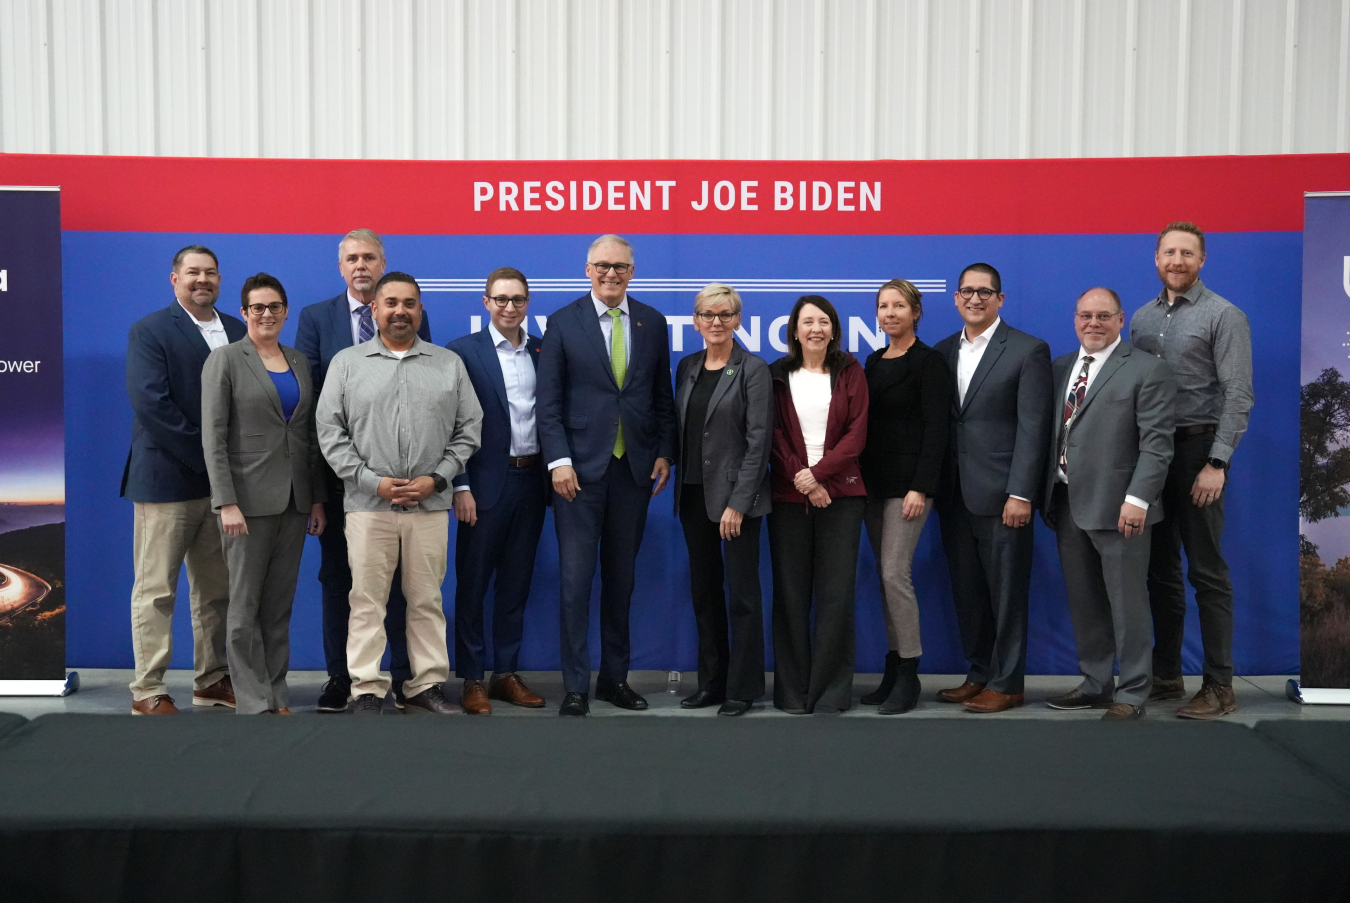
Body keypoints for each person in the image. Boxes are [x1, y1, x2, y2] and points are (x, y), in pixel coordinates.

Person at [316, 272, 482, 715]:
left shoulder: (447, 364)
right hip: (368, 506)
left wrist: (438, 478)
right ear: (375, 309)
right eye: (391, 303)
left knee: (426, 599)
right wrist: (372, 481)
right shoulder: (346, 364)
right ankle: (366, 688)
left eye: (409, 303)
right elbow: (329, 433)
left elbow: (469, 430)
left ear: (420, 310)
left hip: (429, 506)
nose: (400, 311)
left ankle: (424, 685)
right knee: (367, 600)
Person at [536, 234, 679, 717]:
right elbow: (548, 402)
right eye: (602, 266)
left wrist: (664, 452)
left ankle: (613, 679)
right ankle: (575, 685)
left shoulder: (652, 322)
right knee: (576, 581)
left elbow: (663, 396)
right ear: (587, 269)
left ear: (632, 272)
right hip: (576, 473)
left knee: (622, 579)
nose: (611, 274)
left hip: (634, 470)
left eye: (620, 266)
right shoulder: (562, 322)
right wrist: (558, 461)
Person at [294, 229, 433, 713]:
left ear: (382, 261)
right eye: (351, 258)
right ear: (340, 267)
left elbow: (422, 394)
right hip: (340, 484)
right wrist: (317, 490)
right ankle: (343, 679)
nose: (361, 265)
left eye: (369, 257)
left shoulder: (409, 313)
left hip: (407, 485)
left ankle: (401, 678)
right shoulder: (316, 319)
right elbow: (314, 411)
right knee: (341, 582)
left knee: (400, 586)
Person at [1130, 222, 1254, 720]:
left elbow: (1239, 394)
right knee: (1159, 571)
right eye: (1168, 252)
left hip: (1200, 450)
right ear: (1156, 259)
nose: (1176, 261)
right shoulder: (1139, 318)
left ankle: (1220, 686)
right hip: (1151, 455)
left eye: (1186, 253)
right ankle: (1165, 677)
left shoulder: (1224, 315)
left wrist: (1217, 462)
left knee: (1207, 573)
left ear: (1202, 261)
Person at [122, 244, 245, 715]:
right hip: (166, 483)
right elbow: (153, 405)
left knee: (216, 591)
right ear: (174, 279)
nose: (202, 280)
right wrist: (212, 462)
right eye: (192, 272)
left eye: (211, 273)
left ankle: (212, 679)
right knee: (156, 591)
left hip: (222, 491)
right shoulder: (150, 331)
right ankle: (148, 689)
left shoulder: (236, 330)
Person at [1043, 288, 1176, 721]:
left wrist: (1138, 499)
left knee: (1127, 603)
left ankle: (1134, 691)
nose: (1093, 324)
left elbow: (1157, 446)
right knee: (1085, 601)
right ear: (1075, 318)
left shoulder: (1147, 369)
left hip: (1122, 507)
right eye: (1085, 316)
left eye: (1103, 316)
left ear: (1121, 321)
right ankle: (1096, 683)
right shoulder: (1061, 368)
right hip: (1067, 503)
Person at [201, 273, 327, 715]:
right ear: (244, 313)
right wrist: (225, 501)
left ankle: (276, 693)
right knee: (244, 607)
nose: (267, 314)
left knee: (278, 607)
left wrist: (315, 498)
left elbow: (308, 435)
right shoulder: (226, 360)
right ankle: (251, 698)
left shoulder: (298, 361)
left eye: (274, 306)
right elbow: (213, 438)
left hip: (294, 502)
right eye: (258, 307)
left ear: (286, 311)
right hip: (246, 504)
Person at [932, 263, 1052, 713]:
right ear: (957, 298)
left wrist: (1022, 493)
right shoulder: (943, 351)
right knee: (968, 591)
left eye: (985, 292)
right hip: (954, 495)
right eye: (967, 291)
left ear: (1000, 299)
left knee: (1006, 595)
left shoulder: (1026, 350)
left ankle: (1008, 682)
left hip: (1004, 497)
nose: (975, 299)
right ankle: (979, 673)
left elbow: (1033, 428)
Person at [447, 267, 548, 714]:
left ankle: (505, 673)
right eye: (501, 299)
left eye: (518, 300)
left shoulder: (545, 350)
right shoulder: (462, 353)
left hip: (532, 481)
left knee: (516, 583)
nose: (510, 307)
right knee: (472, 584)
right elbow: (450, 424)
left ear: (528, 304)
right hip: (482, 485)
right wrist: (460, 484)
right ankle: (472, 678)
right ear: (486, 303)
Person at [673, 283, 772, 717]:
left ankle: (742, 688)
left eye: (725, 314)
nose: (716, 322)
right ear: (695, 321)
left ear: (738, 321)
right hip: (693, 496)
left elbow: (759, 442)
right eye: (708, 314)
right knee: (705, 593)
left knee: (743, 597)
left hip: (737, 503)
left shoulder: (752, 369)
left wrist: (739, 502)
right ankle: (711, 683)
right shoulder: (687, 367)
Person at [768, 295, 869, 715]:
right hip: (790, 497)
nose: (815, 329)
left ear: (833, 330)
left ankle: (830, 693)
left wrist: (820, 475)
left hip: (841, 496)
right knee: (790, 594)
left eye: (823, 322)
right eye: (807, 321)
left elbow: (857, 434)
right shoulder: (776, 375)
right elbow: (772, 434)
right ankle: (792, 693)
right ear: (794, 330)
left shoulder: (850, 371)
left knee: (836, 596)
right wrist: (804, 480)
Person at [858, 279, 949, 714]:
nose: (890, 313)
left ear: (916, 312)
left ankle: (910, 673)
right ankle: (892, 668)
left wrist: (922, 486)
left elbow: (937, 429)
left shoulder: (929, 362)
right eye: (883, 306)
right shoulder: (873, 362)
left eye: (899, 305)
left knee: (896, 573)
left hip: (909, 488)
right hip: (873, 485)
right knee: (883, 577)